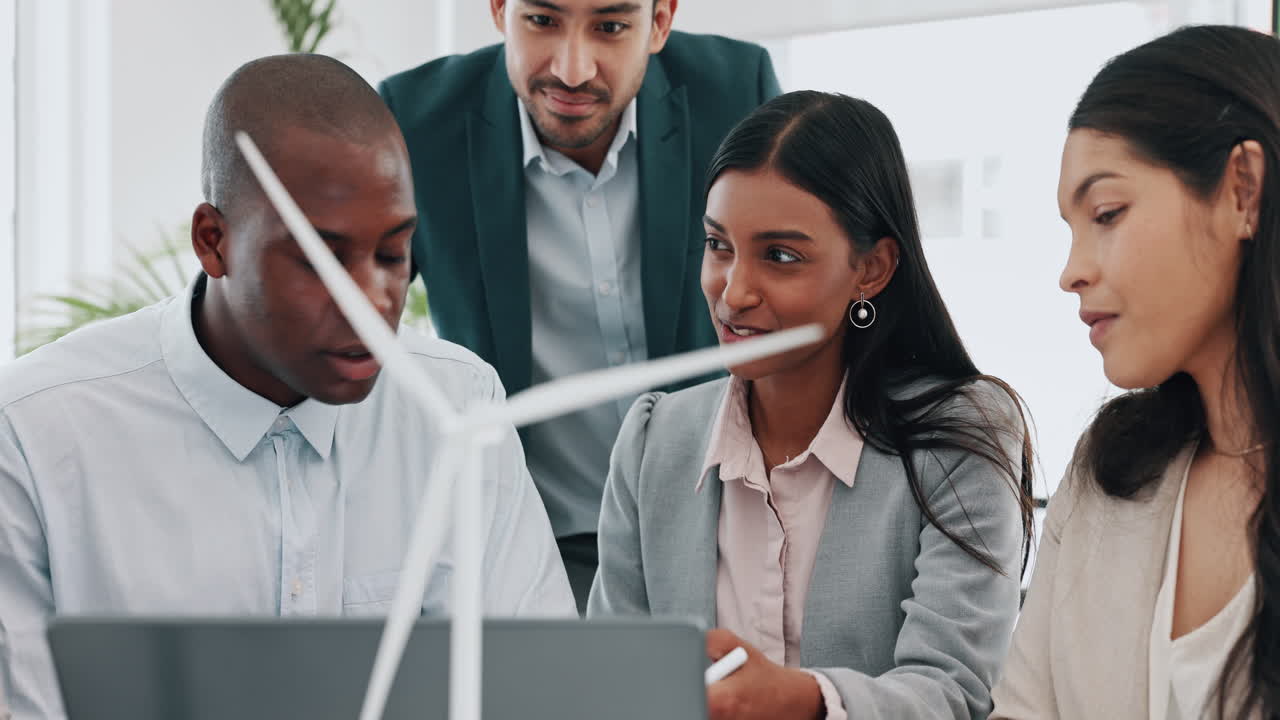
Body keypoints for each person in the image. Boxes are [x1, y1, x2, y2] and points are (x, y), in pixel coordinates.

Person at [0, 54, 574, 719]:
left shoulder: (461, 407)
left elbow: (533, 694)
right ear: (213, 241)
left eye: (393, 254)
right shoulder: (36, 433)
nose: (373, 300)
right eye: (321, 260)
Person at [588, 91, 1036, 720]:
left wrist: (802, 700)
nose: (734, 292)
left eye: (780, 256)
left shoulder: (960, 437)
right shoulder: (653, 440)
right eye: (719, 246)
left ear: (872, 268)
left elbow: (953, 693)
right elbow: (612, 686)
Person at [378, 0, 781, 611]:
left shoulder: (737, 91)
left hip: (723, 524)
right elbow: (356, 324)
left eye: (611, 27)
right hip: (532, 540)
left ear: (661, 20)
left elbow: (805, 304)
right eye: (542, 21)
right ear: (497, 10)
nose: (572, 69)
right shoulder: (414, 120)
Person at [992, 25, 1280, 720]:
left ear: (1243, 190)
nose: (1071, 271)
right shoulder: (1107, 475)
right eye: (1071, 227)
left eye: (1107, 213)